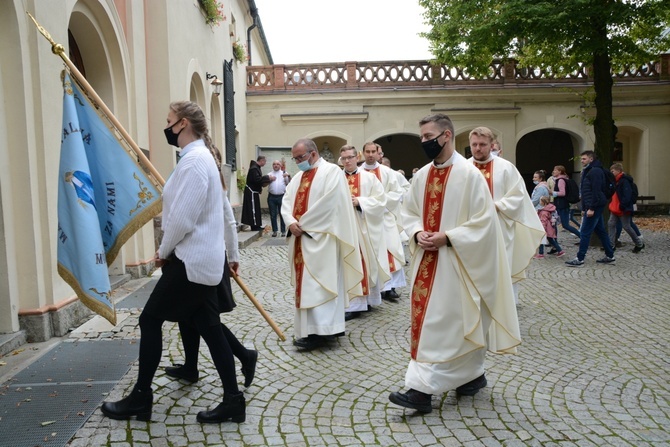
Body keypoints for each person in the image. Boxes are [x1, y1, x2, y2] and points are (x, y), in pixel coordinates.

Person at [101, 101, 245, 424]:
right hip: (201, 262)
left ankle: (141, 397)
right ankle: (234, 399)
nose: (166, 127)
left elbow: (180, 219)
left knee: (150, 320)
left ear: (182, 124)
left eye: (169, 121)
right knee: (210, 328)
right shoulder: (198, 159)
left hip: (190, 262)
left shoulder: (194, 162)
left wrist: (163, 251)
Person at [389, 114, 520, 414]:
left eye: (428, 136)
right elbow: (407, 212)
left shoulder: (469, 175)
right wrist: (416, 231)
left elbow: (485, 223)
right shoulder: (421, 176)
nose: (424, 142)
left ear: (446, 136)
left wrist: (448, 237)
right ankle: (466, 377)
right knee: (434, 322)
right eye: (421, 137)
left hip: (458, 261)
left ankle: (423, 391)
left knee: (451, 323)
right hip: (427, 262)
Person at [165, 148, 258, 390]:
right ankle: (190, 365)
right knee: (189, 317)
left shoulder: (214, 184)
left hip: (206, 259)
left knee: (205, 319)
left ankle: (244, 356)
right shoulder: (192, 177)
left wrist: (233, 257)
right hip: (188, 258)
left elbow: (229, 221)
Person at [281, 139, 363, 350]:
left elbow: (331, 204)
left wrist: (303, 224)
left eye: (300, 157)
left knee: (321, 285)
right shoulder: (298, 176)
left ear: (313, 153)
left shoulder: (332, 172)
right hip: (301, 239)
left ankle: (325, 331)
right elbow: (286, 202)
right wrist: (291, 222)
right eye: (295, 158)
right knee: (306, 286)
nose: (298, 162)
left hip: (322, 240)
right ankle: (308, 331)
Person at [468, 127, 544, 304]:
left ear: (492, 145)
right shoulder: (463, 168)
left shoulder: (506, 168)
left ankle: (505, 305)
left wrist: (497, 206)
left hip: (500, 228)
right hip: (470, 229)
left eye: (482, 144)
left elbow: (518, 195)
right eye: (474, 145)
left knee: (502, 267)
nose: (478, 148)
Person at [339, 145, 390, 320]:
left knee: (364, 262)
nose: (347, 161)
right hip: (342, 229)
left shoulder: (369, 178)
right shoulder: (336, 178)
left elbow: (381, 201)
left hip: (364, 229)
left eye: (350, 157)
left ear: (356, 157)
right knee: (347, 263)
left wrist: (360, 202)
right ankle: (352, 302)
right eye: (344, 158)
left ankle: (364, 301)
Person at [362, 142, 406, 301]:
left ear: (379, 153)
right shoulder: (358, 173)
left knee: (390, 251)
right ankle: (373, 287)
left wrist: (378, 204)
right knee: (370, 253)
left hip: (385, 218)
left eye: (374, 151)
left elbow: (396, 193)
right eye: (368, 151)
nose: (371, 154)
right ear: (363, 153)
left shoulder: (387, 172)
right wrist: (369, 204)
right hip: (365, 219)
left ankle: (390, 287)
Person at [565, 151, 616, 266]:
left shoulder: (595, 171)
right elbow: (586, 191)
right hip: (593, 204)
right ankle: (610, 255)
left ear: (591, 159)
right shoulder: (590, 170)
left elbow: (596, 190)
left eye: (584, 159)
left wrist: (591, 208)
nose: (582, 161)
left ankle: (580, 258)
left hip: (595, 205)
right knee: (600, 231)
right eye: (581, 159)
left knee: (585, 232)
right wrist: (585, 207)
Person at [607, 163, 644, 253]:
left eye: (613, 171)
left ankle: (639, 243)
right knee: (611, 224)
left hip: (622, 207)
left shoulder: (624, 181)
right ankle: (611, 245)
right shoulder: (615, 181)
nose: (611, 173)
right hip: (615, 207)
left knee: (626, 226)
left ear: (618, 171)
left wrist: (622, 205)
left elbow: (627, 195)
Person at [241, 155, 272, 231]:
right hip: (251, 192)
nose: (265, 163)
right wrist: (268, 178)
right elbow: (257, 180)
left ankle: (256, 225)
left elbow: (256, 181)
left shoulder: (256, 168)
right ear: (261, 161)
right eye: (265, 161)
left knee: (255, 208)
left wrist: (259, 189)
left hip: (254, 192)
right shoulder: (254, 169)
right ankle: (254, 225)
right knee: (253, 209)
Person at [551, 165, 581, 239]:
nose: (553, 171)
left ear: (560, 171)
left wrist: (552, 193)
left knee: (565, 225)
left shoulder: (561, 180)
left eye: (555, 170)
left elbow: (562, 193)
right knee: (554, 223)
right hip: (560, 204)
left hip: (562, 205)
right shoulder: (560, 180)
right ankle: (554, 241)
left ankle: (582, 236)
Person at [267, 159, 290, 237]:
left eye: (277, 164)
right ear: (272, 166)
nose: (275, 165)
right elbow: (264, 184)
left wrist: (288, 176)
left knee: (282, 214)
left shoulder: (284, 173)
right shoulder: (269, 174)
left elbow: (288, 183)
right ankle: (275, 231)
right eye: (274, 164)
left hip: (281, 196)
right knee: (273, 214)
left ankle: (283, 231)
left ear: (280, 166)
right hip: (271, 197)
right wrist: (268, 180)